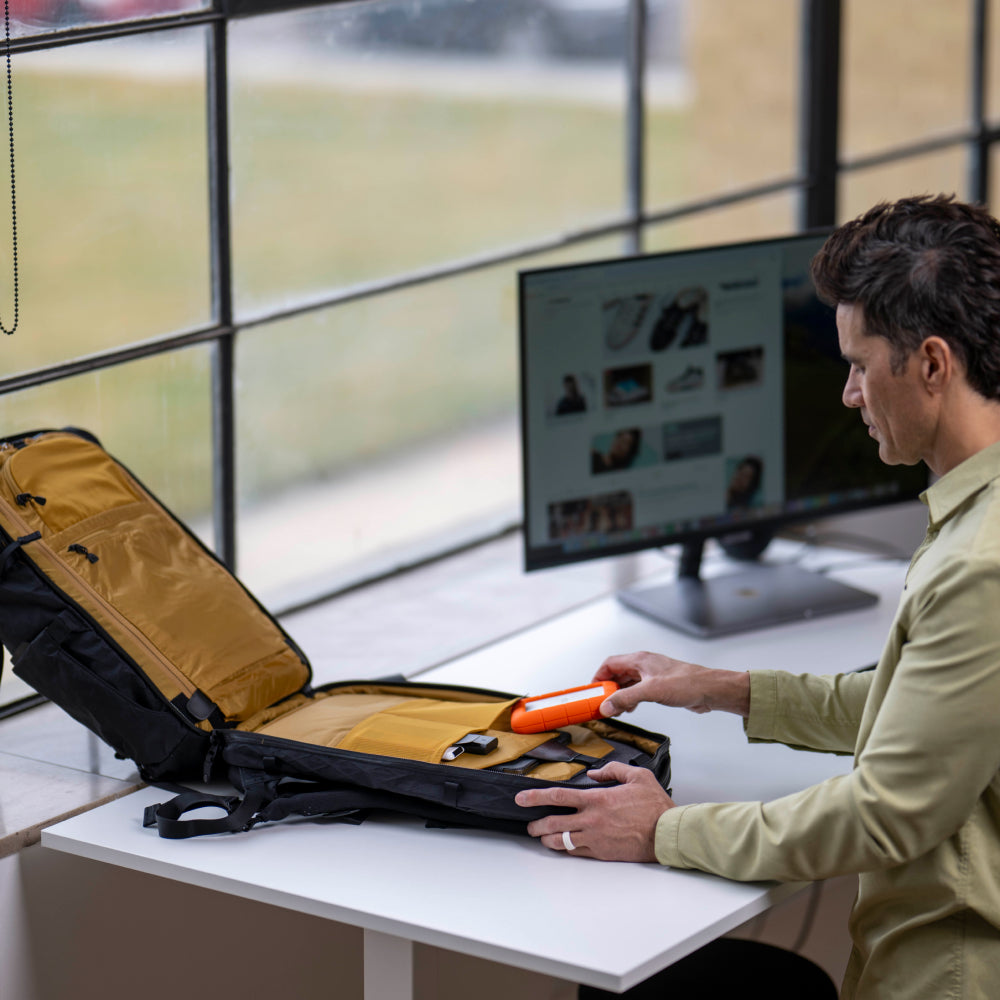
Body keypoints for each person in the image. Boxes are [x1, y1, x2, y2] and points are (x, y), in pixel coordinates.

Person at [516, 194, 1000, 999]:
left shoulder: (980, 564)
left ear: (933, 365)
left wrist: (665, 830)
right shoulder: (978, 516)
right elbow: (926, 719)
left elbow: (886, 813)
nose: (848, 394)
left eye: (857, 363)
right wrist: (720, 690)